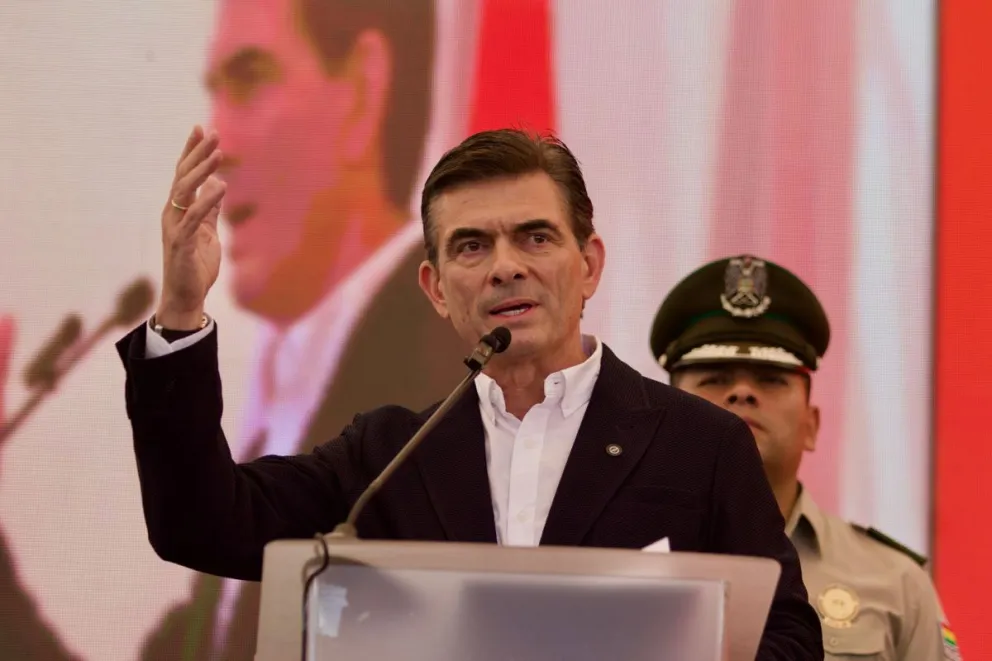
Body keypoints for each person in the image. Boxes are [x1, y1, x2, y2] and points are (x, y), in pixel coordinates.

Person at [117, 127, 824, 660]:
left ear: (589, 264)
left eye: (535, 236)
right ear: (435, 289)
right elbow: (202, 523)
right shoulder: (390, 454)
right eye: (471, 246)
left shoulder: (697, 444)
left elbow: (788, 635)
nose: (505, 267)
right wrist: (181, 309)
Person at [134, 2, 468, 660]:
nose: (219, 140)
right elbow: (198, 525)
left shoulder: (437, 397)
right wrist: (178, 311)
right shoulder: (283, 386)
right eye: (217, 91)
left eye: (252, 78)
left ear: (362, 91)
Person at [650, 254, 962, 661]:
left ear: (812, 424)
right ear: (664, 419)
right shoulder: (614, 560)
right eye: (715, 377)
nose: (743, 393)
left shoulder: (895, 580)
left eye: (771, 380)